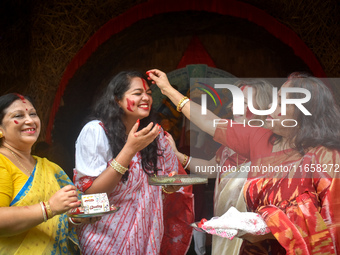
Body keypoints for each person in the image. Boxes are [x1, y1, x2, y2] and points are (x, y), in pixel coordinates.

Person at [147, 69, 340, 254]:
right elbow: (208, 122)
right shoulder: (260, 138)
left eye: (281, 103)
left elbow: (333, 224)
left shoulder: (325, 156)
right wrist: (168, 90)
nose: (272, 107)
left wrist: (274, 230)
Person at [73, 71, 193, 255]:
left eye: (149, 94)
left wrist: (169, 186)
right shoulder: (96, 132)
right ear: (117, 100)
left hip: (146, 234)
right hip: (106, 239)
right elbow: (90, 192)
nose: (146, 98)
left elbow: (169, 183)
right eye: (137, 93)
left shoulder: (156, 135)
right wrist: (129, 149)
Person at [165, 79, 273, 255]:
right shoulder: (230, 143)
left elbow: (209, 122)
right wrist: (179, 156)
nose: (235, 107)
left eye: (244, 102)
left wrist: (167, 89)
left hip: (253, 241)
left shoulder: (267, 141)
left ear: (263, 108)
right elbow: (212, 169)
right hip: (225, 231)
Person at [0, 93, 99, 255]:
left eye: (33, 114)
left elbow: (50, 222)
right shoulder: (2, 162)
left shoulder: (50, 168)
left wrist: (74, 218)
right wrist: (49, 208)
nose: (30, 120)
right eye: (18, 115)